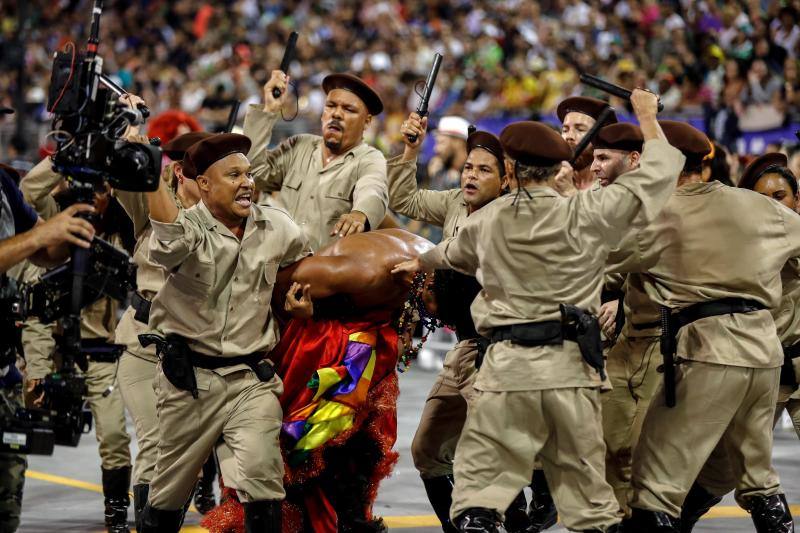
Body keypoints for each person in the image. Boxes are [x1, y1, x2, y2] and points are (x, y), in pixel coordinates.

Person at [393, 89, 682, 532]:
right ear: (558, 169)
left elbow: (448, 252)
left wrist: (420, 260)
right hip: (571, 371)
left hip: (506, 371)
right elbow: (660, 173)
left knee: (477, 497)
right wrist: (647, 117)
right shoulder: (587, 213)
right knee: (590, 503)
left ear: (510, 170)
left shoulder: (485, 221)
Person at [608, 122, 797, 532]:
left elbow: (594, 261)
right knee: (760, 483)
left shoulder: (655, 215)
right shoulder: (758, 205)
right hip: (765, 354)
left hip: (708, 351)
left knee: (654, 489)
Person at [139, 133, 312, 532]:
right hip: (190, 384)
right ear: (204, 184)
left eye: (249, 174)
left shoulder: (278, 226)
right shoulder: (189, 229)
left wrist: (301, 305)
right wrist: (150, 178)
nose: (247, 182)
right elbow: (166, 243)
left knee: (263, 479)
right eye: (233, 175)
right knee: (168, 494)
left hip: (251, 380)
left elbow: (303, 268)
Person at [389, 113, 531, 532]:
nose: (471, 176)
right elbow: (405, 201)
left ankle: (521, 514)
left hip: (500, 349)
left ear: (505, 180)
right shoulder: (454, 202)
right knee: (427, 450)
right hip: (465, 347)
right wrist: (410, 152)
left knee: (494, 453)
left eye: (484, 170)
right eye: (469, 166)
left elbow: (460, 252)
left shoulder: (511, 215)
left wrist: (428, 263)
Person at [17, 156, 135, 533]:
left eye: (104, 189)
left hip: (100, 348)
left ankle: (116, 511)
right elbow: (28, 191)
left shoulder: (122, 223)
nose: (96, 197)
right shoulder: (56, 218)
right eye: (92, 188)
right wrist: (62, 157)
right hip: (50, 349)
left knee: (115, 434)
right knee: (18, 434)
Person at [113, 124, 213, 526]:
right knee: (153, 441)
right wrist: (128, 143)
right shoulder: (153, 207)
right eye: (196, 172)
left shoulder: (218, 217)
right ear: (178, 175)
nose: (204, 181)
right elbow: (126, 185)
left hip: (192, 349)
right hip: (142, 340)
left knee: (182, 450)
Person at [0, 160, 95, 533]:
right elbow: (33, 241)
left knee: (7, 503)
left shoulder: (3, 184)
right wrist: (40, 237)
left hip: (4, 371)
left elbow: (43, 251)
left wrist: (71, 234)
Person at [242, 70, 388, 251]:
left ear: (366, 122)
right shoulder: (299, 145)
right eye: (331, 106)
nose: (336, 114)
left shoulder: (370, 159)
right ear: (322, 113)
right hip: (274, 264)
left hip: (322, 272)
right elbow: (254, 175)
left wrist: (360, 213)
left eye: (348, 109)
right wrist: (269, 110)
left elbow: (373, 188)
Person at [738, 153, 800, 439]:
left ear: (796, 199)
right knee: (740, 468)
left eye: (779, 196)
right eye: (761, 198)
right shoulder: (738, 248)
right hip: (764, 369)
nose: (771, 205)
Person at [556, 96, 618, 192]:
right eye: (565, 130)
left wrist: (570, 192)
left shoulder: (614, 186)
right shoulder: (551, 181)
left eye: (580, 129)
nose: (569, 136)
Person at [426, 116, 470, 191]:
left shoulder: (473, 173)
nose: (436, 149)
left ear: (458, 142)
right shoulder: (440, 171)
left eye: (441, 142)